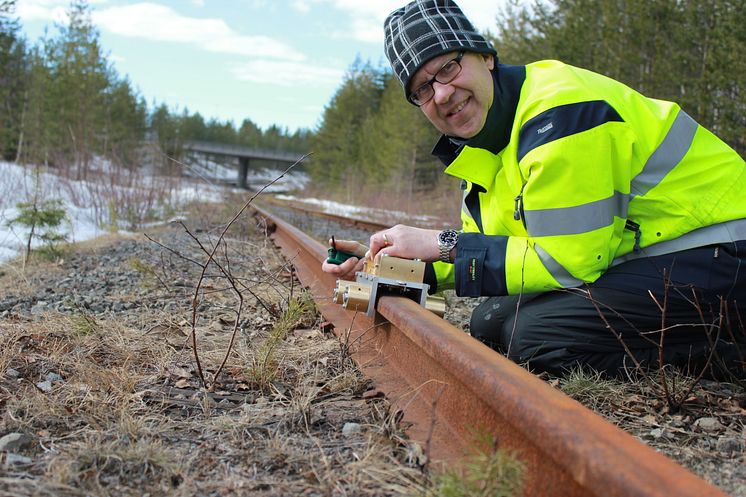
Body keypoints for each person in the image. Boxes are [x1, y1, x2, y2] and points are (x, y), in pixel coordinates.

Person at [322, 0, 746, 379]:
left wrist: (443, 243)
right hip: (657, 253)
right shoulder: (485, 146)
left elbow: (568, 260)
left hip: (722, 251)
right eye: (422, 90)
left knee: (533, 337)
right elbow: (505, 248)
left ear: (485, 56)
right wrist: (392, 264)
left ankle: (730, 351)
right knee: (489, 321)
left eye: (447, 68)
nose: (443, 93)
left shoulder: (560, 113)